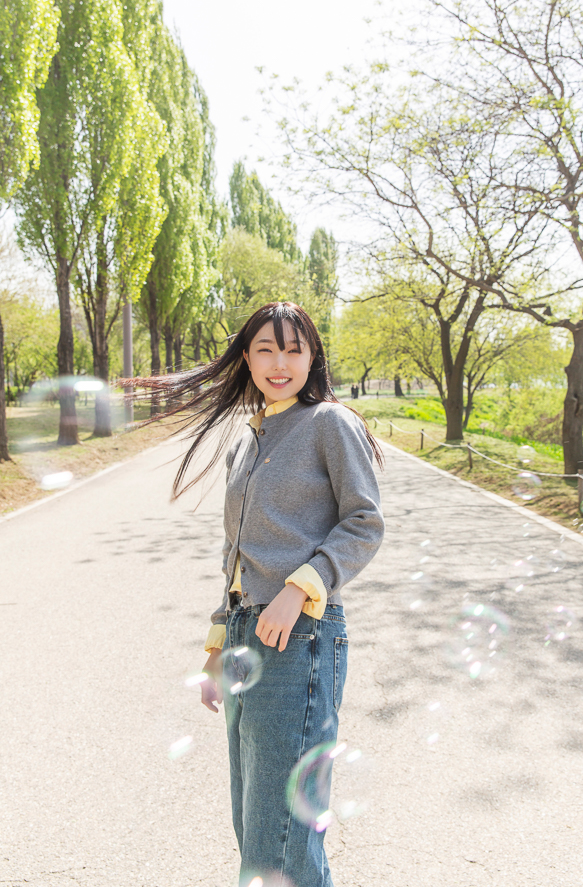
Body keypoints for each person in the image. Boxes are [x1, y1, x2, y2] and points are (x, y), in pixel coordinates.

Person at [148, 302, 384, 887]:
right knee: (255, 823)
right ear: (247, 357)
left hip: (297, 634)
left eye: (293, 349)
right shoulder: (248, 439)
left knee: (279, 840)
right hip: (244, 637)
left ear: (313, 356)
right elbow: (236, 552)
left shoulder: (330, 423)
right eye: (265, 349)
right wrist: (215, 646)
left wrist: (300, 589)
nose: (280, 363)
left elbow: (364, 522)